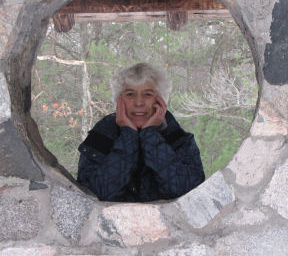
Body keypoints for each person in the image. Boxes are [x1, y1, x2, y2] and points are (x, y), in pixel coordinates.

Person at [77, 63, 205, 202]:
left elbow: (187, 193)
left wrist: (150, 136)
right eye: (130, 94)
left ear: (160, 100)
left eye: (147, 94)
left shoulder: (180, 140)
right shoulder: (100, 137)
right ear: (120, 100)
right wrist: (128, 135)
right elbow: (93, 196)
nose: (139, 102)